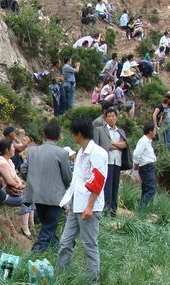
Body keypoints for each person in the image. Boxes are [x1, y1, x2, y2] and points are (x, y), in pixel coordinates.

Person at [56, 119, 108, 283]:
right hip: (76, 206)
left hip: (88, 207)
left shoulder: (98, 153)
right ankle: (61, 276)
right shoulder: (80, 152)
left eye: (73, 133)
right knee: (65, 242)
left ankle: (93, 280)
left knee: (89, 245)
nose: (73, 136)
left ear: (79, 133)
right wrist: (69, 203)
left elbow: (98, 181)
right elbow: (76, 181)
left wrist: (90, 207)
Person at [20, 121, 71, 252]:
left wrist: (33, 181)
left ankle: (55, 250)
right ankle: (35, 254)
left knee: (48, 225)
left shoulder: (32, 151)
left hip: (36, 195)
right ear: (59, 136)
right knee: (49, 227)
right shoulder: (62, 153)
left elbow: (23, 169)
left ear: (43, 135)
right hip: (54, 197)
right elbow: (67, 177)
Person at [0, 139, 35, 238]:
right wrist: (19, 184)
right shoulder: (1, 162)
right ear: (7, 150)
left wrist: (19, 183)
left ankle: (31, 224)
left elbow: (16, 178)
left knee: (31, 193)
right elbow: (9, 181)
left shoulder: (9, 161)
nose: (14, 149)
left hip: (11, 191)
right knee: (27, 198)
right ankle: (25, 228)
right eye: (12, 147)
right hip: (3, 194)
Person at [93, 107, 128, 217]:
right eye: (109, 116)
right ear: (105, 118)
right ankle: (106, 209)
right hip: (106, 162)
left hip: (117, 161)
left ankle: (113, 210)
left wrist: (113, 144)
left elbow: (124, 145)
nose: (111, 118)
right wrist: (114, 145)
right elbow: (103, 145)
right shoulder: (100, 130)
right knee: (107, 186)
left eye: (113, 116)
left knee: (115, 186)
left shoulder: (120, 131)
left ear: (116, 118)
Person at [132, 123, 157, 209]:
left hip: (148, 167)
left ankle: (143, 210)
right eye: (154, 130)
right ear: (150, 131)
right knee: (151, 189)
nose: (155, 132)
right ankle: (141, 209)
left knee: (146, 189)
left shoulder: (148, 141)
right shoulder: (143, 141)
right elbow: (136, 154)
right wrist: (136, 166)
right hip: (146, 167)